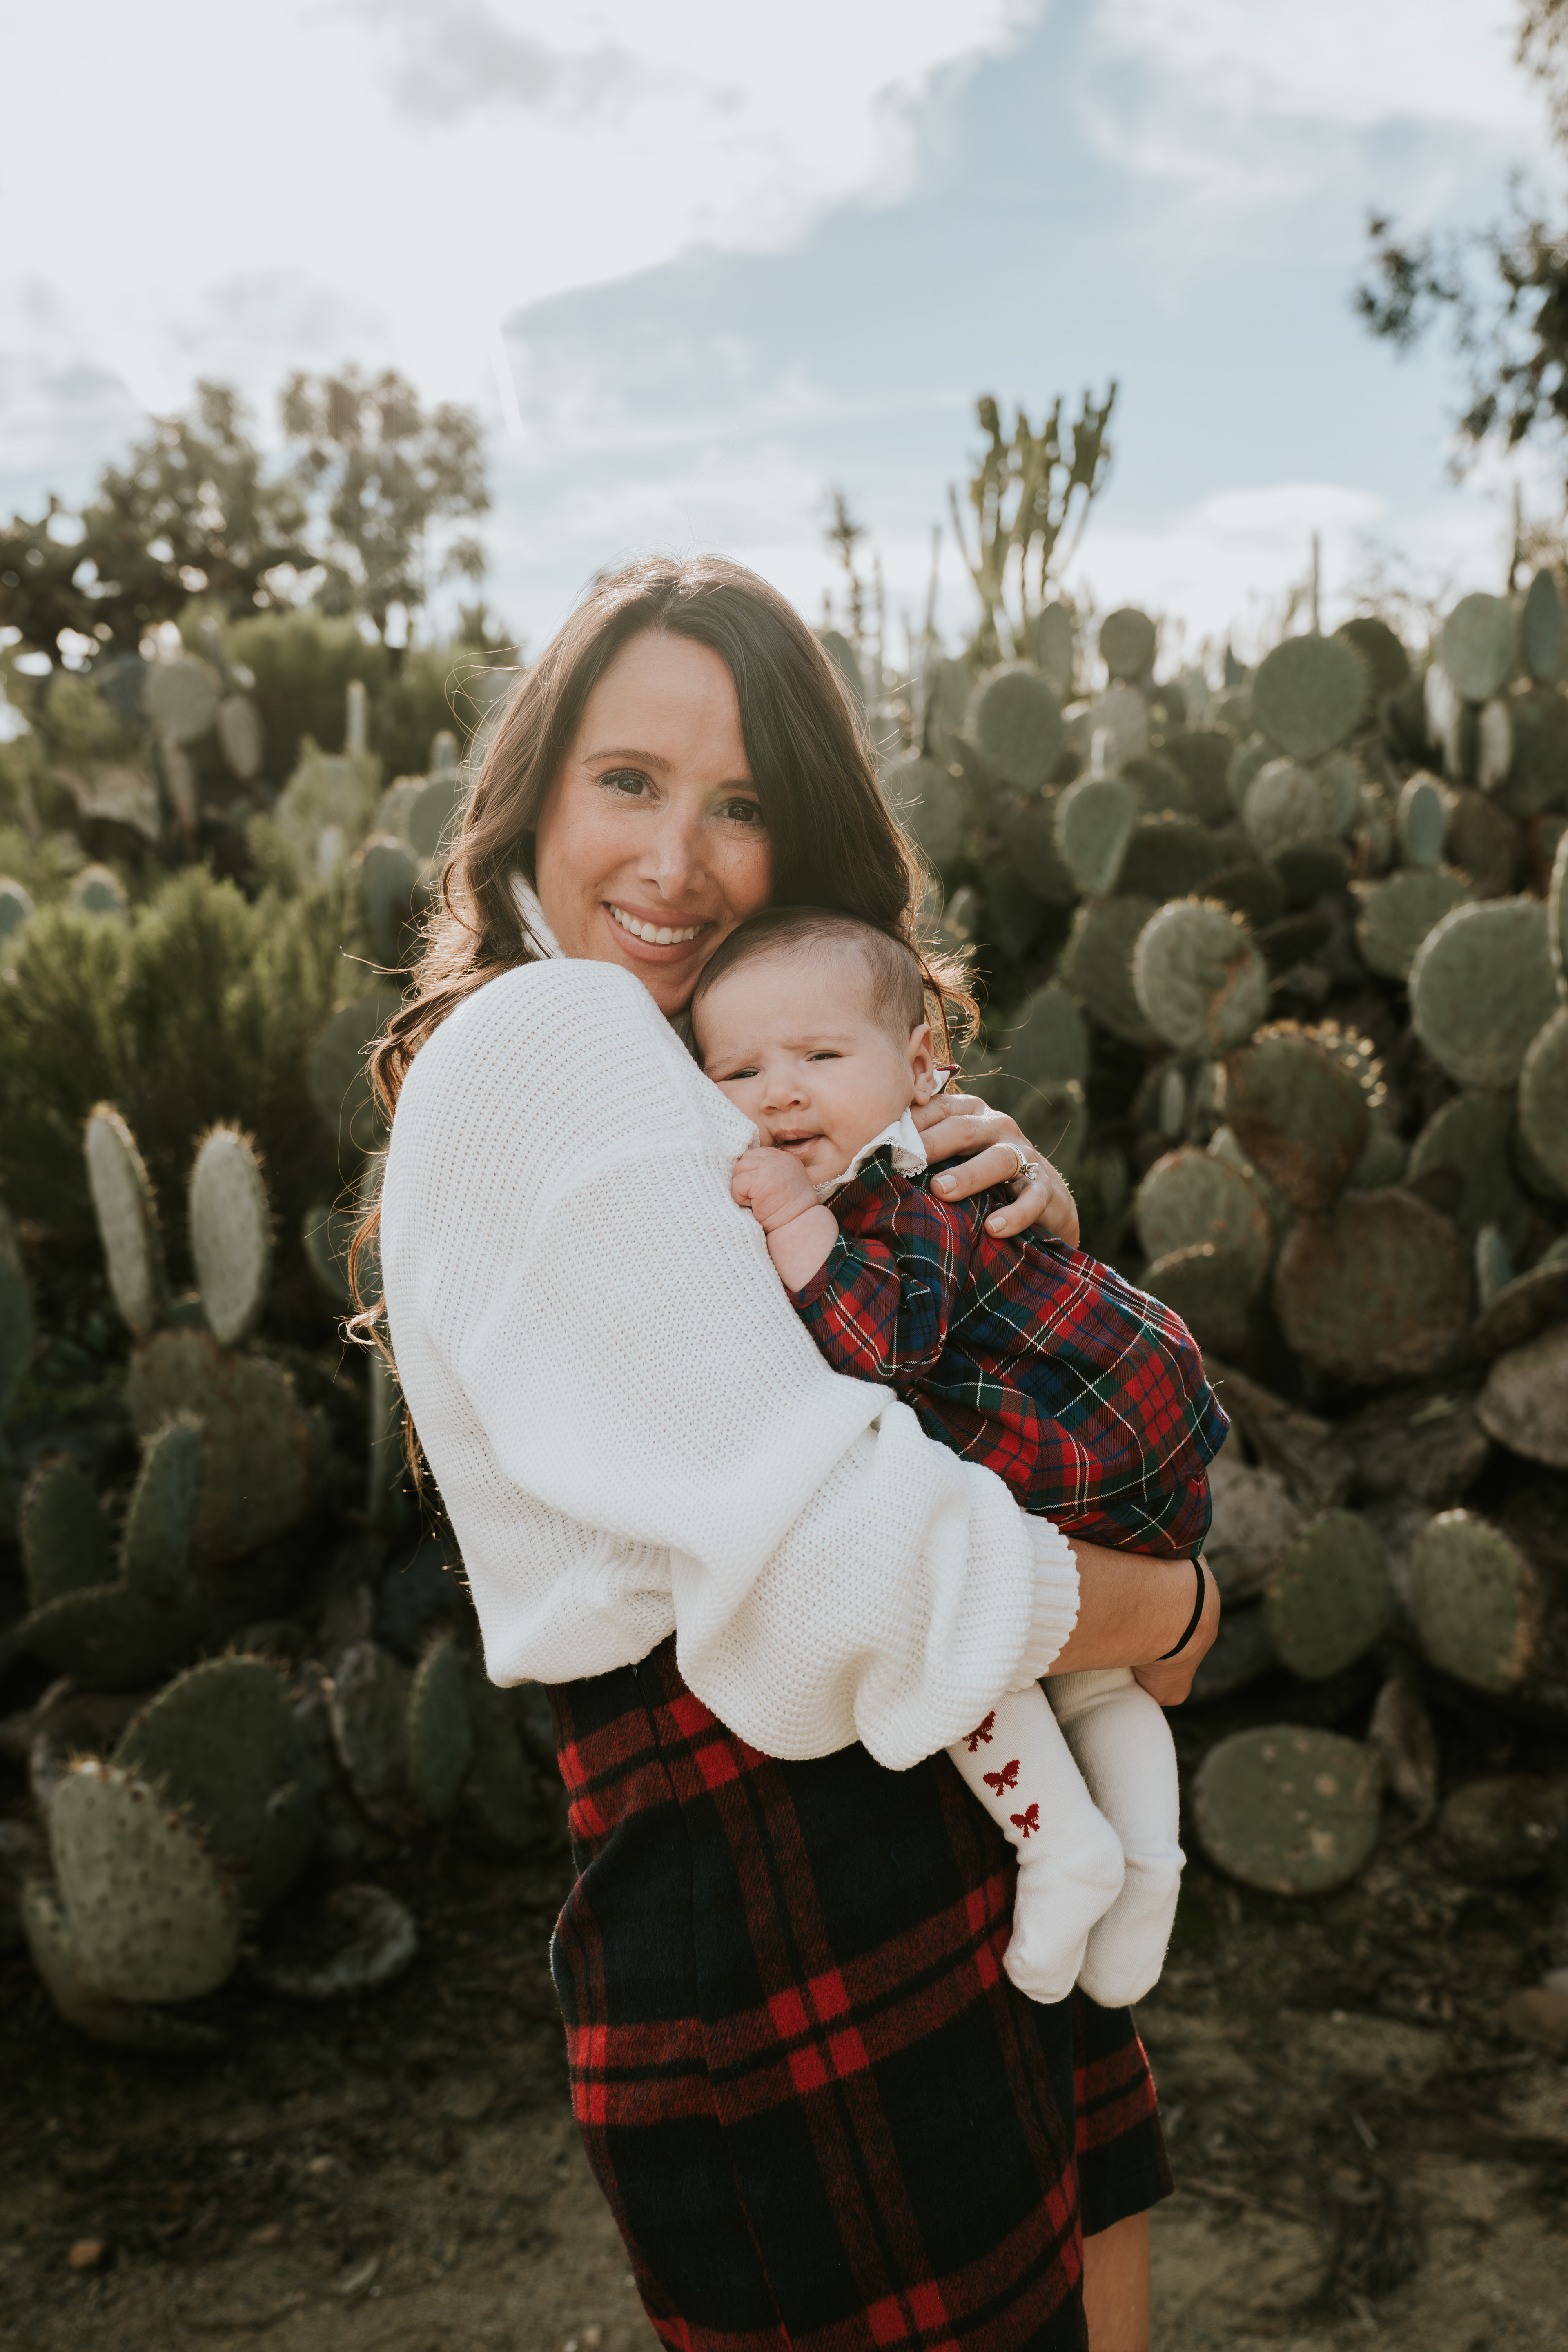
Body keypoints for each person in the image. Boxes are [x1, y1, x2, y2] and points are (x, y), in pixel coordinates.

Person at [370, 554, 1220, 2350]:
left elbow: (881, 1409)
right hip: (775, 1875)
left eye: (743, 803)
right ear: (533, 791)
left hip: (969, 1816)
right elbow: (854, 1577)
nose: (679, 860)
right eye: (629, 781)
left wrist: (994, 1241)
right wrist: (1172, 1612)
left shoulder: (724, 1082)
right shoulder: (550, 1037)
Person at [688, 903, 1225, 2010]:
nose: (778, 1092)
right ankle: (1148, 1867)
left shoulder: (908, 1185)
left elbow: (880, 1346)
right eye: (738, 1072)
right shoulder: (912, 1165)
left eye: (819, 1057)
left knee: (955, 1631)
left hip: (1071, 1448)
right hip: (1115, 1437)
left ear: (923, 1064)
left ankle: (1060, 1842)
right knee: (1099, 1682)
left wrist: (791, 1221)